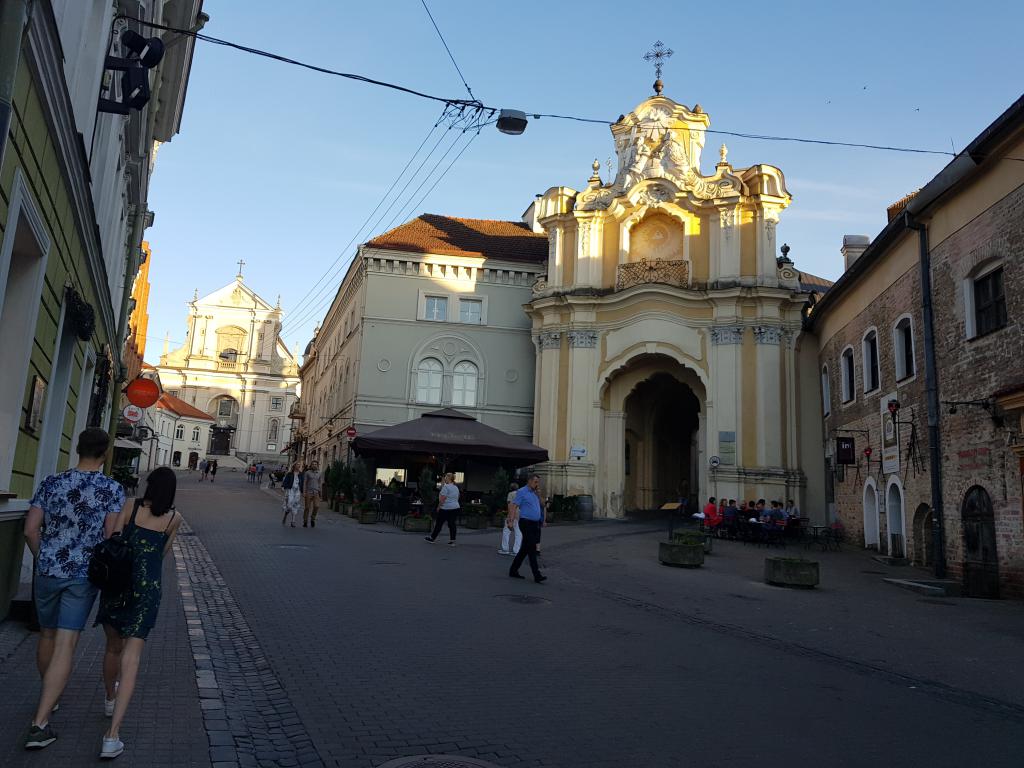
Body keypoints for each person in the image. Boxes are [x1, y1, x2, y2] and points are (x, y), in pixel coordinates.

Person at [22, 428, 125, 751]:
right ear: (105, 453)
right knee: (66, 644)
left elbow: (29, 530)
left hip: (49, 570)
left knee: (47, 635)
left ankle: (49, 697)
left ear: (77, 449)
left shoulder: (52, 482)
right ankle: (40, 724)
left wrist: (45, 558)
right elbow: (111, 535)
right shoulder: (111, 489)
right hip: (83, 574)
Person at [95, 467, 182, 759]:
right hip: (146, 591)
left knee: (112, 648)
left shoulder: (130, 506)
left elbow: (114, 537)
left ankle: (109, 698)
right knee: (131, 660)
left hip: (117, 585)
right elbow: (162, 553)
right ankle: (112, 736)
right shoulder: (173, 518)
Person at [508, 474, 546, 583]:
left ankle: (513, 570)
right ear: (529, 481)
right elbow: (514, 506)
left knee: (524, 549)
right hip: (526, 523)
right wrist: (510, 521)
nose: (537, 484)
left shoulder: (535, 493)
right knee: (532, 548)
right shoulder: (522, 492)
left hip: (535, 524)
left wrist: (539, 495)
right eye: (535, 482)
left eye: (538, 482)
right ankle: (537, 574)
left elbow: (543, 505)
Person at [425, 472, 459, 546]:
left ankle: (432, 538)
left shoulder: (446, 487)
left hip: (445, 508)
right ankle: (452, 541)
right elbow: (457, 497)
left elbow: (442, 499)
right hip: (455, 507)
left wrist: (438, 507)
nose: (445, 478)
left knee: (439, 524)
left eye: (446, 477)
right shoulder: (455, 487)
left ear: (449, 478)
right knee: (452, 524)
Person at [499, 482, 521, 556]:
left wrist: (509, 516)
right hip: (520, 515)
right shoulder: (520, 494)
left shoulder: (511, 494)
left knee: (506, 531)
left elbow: (510, 506)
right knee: (519, 533)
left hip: (512, 514)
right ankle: (516, 550)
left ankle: (505, 549)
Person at [281, 462, 304, 527]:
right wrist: (283, 487)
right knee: (289, 505)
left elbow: (303, 482)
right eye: (297, 465)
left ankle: (293, 521)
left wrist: (303, 491)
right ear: (294, 466)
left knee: (295, 505)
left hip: (297, 491)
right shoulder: (290, 474)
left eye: (299, 465)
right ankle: (285, 514)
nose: (298, 466)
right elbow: (285, 481)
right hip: (290, 490)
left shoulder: (301, 474)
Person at [302, 461, 321, 528]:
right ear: (311, 465)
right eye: (313, 464)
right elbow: (304, 482)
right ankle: (305, 521)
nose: (314, 465)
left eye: (315, 464)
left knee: (316, 506)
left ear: (317, 465)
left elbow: (319, 483)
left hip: (316, 492)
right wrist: (304, 492)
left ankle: (313, 519)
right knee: (307, 507)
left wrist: (320, 492)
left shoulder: (319, 473)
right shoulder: (307, 473)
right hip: (308, 492)